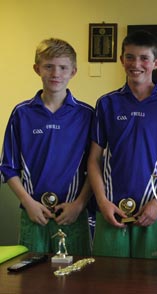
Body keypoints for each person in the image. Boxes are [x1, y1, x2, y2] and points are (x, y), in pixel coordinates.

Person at [88, 30, 157, 258]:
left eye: (144, 58)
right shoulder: (106, 103)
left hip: (154, 213)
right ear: (121, 60)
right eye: (130, 57)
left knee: (150, 283)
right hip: (111, 210)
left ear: (156, 63)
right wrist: (102, 203)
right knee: (108, 280)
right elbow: (93, 159)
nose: (136, 64)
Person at [0, 38, 93, 255]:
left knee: (75, 278)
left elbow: (95, 167)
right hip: (33, 213)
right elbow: (7, 166)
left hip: (73, 214)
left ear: (74, 71)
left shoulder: (86, 115)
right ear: (37, 69)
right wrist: (28, 202)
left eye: (63, 67)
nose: (55, 73)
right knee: (30, 278)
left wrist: (79, 204)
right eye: (48, 66)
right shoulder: (22, 113)